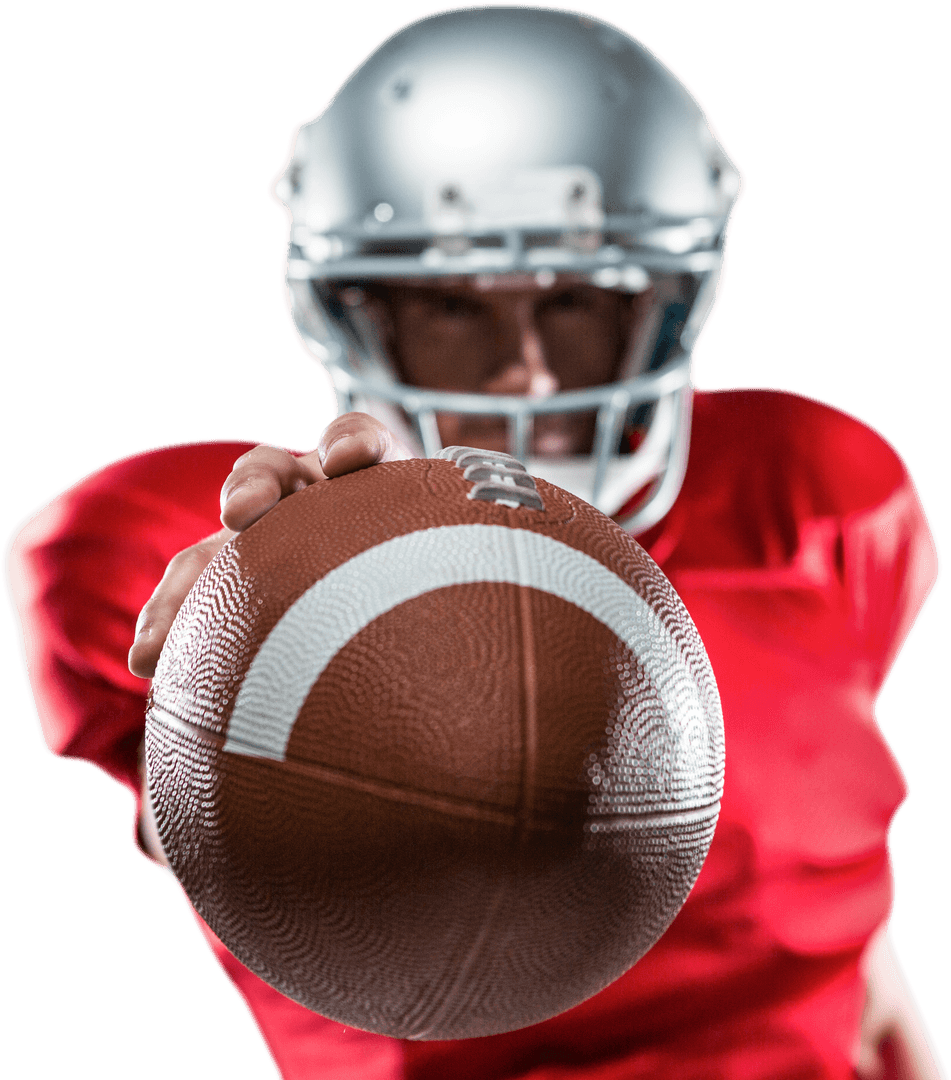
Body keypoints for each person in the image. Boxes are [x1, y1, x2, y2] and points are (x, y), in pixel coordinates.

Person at [4, 5, 946, 1079]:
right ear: (357, 313)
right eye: (453, 304)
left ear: (669, 303)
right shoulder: (180, 547)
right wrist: (259, 634)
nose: (527, 373)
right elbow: (252, 846)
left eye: (580, 301)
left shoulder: (816, 495)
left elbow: (843, 940)